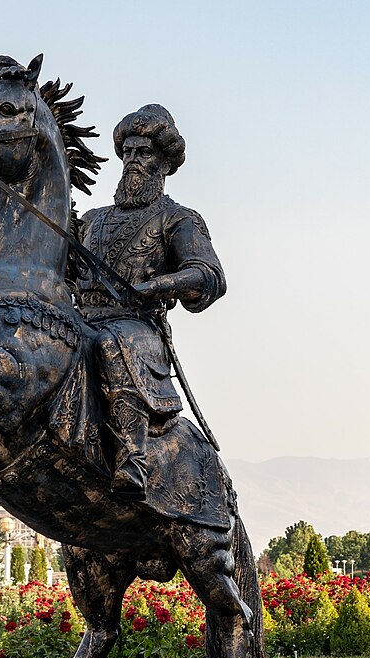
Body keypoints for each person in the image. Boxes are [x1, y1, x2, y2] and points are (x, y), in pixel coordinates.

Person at [76, 104, 226, 499]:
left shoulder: (178, 219)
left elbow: (209, 275)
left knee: (111, 342)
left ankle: (133, 457)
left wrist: (158, 285)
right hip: (82, 318)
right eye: (127, 152)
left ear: (163, 163)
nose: (132, 160)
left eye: (143, 153)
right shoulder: (91, 219)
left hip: (136, 328)